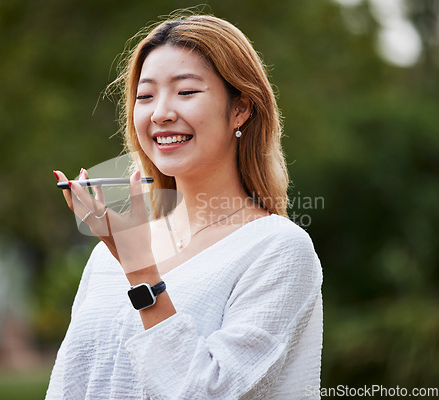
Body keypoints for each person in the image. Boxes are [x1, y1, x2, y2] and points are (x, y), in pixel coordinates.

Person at [49, 13, 322, 400]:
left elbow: (205, 393)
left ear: (240, 108)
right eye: (145, 96)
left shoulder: (277, 250)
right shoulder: (108, 254)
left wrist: (141, 273)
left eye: (186, 92)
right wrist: (130, 258)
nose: (160, 112)